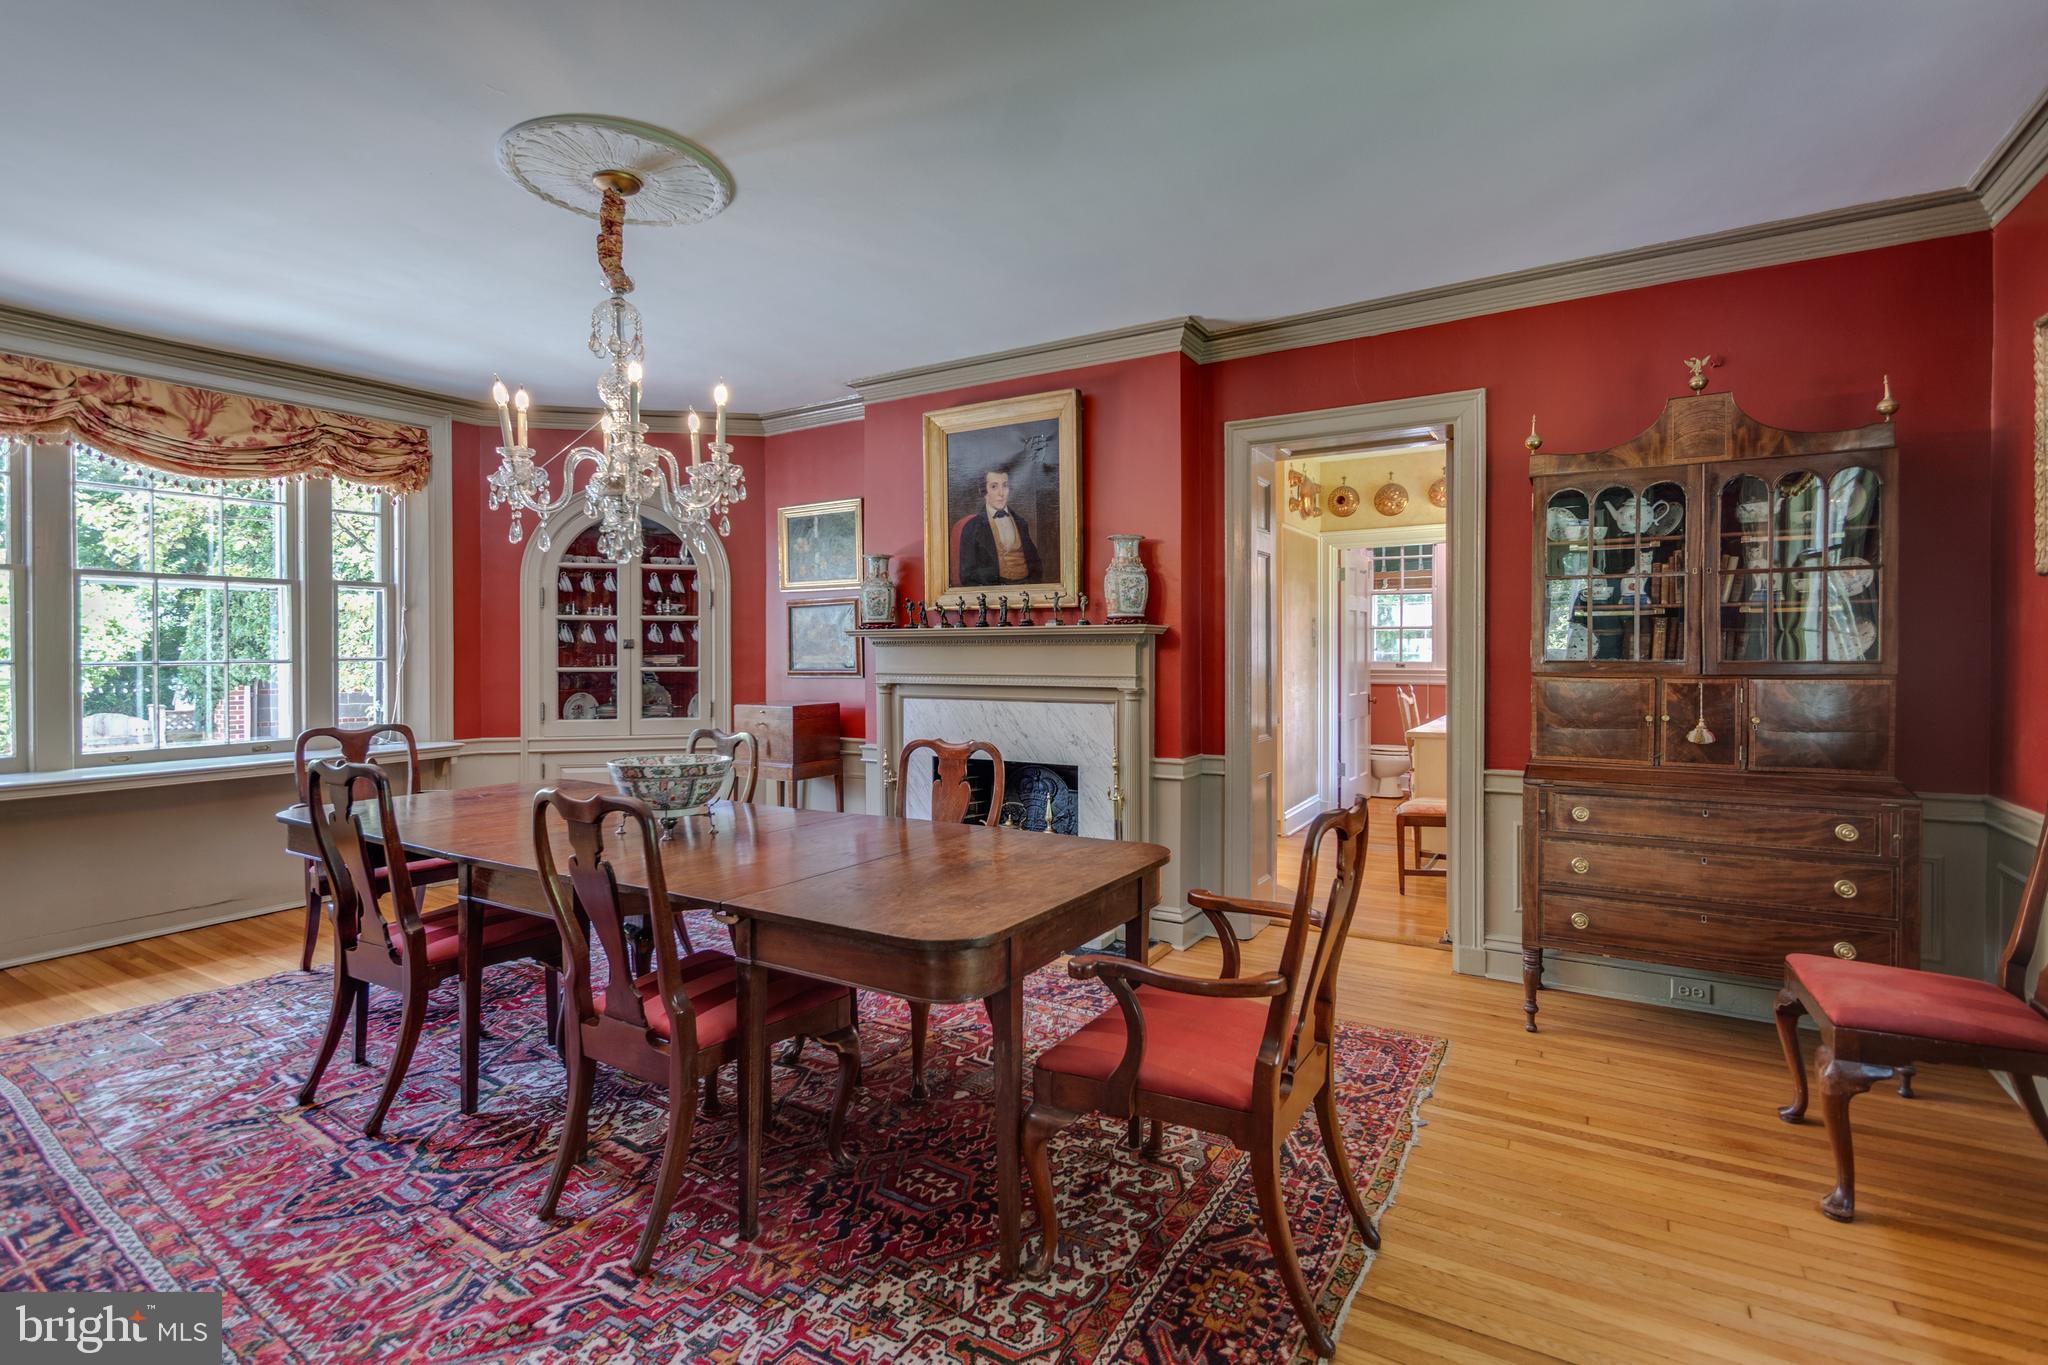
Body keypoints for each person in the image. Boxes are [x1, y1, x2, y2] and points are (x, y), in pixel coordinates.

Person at [955, 467, 1042, 586]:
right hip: (993, 594)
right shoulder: (971, 527)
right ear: (983, 491)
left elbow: (1036, 566)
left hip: (1025, 590)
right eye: (994, 487)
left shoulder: (1021, 523)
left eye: (1005, 486)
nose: (1001, 493)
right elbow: (967, 575)